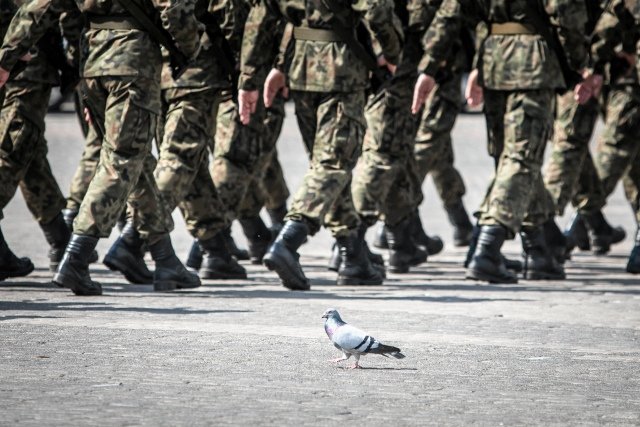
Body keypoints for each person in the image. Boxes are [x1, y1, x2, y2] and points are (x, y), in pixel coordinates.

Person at [0, 0, 202, 295]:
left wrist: (7, 57)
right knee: (123, 159)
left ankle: (165, 258)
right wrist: (188, 48)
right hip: (133, 62)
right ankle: (76, 258)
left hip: (93, 62)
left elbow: (43, 6)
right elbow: (173, 6)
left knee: (135, 161)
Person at [412, 0, 588, 283]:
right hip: (532, 61)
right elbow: (566, 11)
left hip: (493, 59)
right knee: (521, 157)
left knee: (511, 157)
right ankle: (487, 248)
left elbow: (451, 11)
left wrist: (431, 66)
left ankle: (538, 248)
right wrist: (581, 63)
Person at [238, 0, 402, 289]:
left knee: (326, 166)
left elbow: (261, 17)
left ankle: (353, 255)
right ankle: (289, 240)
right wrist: (393, 52)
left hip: (300, 67)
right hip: (340, 67)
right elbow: (376, 8)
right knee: (332, 164)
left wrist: (255, 75)